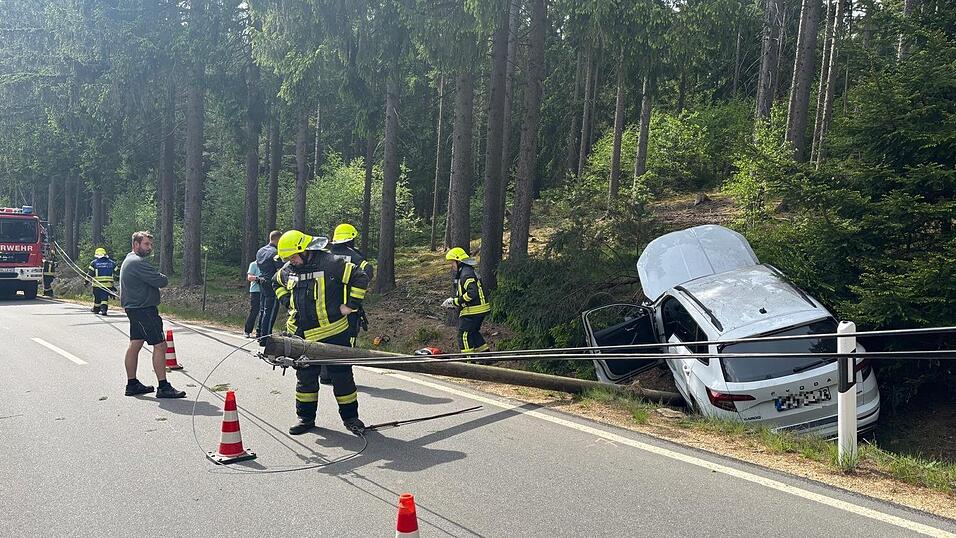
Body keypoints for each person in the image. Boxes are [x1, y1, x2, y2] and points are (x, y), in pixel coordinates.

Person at [273, 229, 369, 435]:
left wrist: (350, 306)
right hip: (301, 336)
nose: (291, 261)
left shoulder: (331, 263)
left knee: (342, 379)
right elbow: (276, 282)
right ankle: (305, 419)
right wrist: (287, 302)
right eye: (288, 258)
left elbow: (360, 277)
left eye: (293, 256)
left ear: (305, 250)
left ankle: (351, 419)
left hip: (333, 334)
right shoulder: (289, 269)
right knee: (305, 380)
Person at [119, 231, 185, 399]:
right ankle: (163, 386)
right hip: (144, 310)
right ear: (136, 244)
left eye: (150, 244)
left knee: (136, 343)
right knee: (160, 345)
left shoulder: (129, 260)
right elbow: (161, 280)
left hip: (135, 309)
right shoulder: (137, 262)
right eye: (146, 244)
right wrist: (159, 276)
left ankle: (132, 384)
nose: (149, 248)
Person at [323, 223, 375, 384]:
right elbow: (368, 272)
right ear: (351, 239)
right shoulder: (356, 257)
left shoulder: (326, 256)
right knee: (347, 342)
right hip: (348, 308)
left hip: (326, 307)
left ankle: (325, 374)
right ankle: (342, 375)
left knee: (326, 339)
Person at [442, 247, 491, 353]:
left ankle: (468, 361)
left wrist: (455, 302)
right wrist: (454, 300)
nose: (452, 266)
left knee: (463, 335)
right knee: (473, 333)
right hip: (479, 309)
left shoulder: (466, 273)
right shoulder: (467, 271)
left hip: (473, 310)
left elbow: (472, 293)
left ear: (458, 261)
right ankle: (486, 357)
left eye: (452, 262)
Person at [256, 230, 283, 345]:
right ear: (278, 239)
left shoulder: (260, 251)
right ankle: (265, 337)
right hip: (271, 282)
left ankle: (259, 333)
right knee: (270, 311)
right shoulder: (275, 252)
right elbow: (281, 268)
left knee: (263, 309)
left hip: (262, 280)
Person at [88, 247, 118, 315]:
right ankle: (104, 310)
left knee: (97, 298)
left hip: (97, 285)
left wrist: (86, 282)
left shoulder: (94, 263)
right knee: (104, 298)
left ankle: (96, 309)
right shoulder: (112, 263)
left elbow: (90, 274)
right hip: (108, 284)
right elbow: (117, 272)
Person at [244, 260, 261, 338]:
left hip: (265, 290)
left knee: (264, 312)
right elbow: (249, 277)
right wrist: (258, 278)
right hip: (255, 291)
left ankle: (260, 332)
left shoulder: (267, 264)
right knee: (254, 310)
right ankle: (247, 331)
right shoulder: (254, 264)